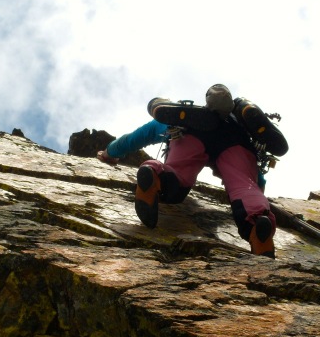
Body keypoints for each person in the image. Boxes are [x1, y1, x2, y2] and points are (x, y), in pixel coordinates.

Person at [97, 84, 287, 258]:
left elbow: (133, 139)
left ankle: (154, 173)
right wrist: (258, 198)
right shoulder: (241, 128)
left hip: (188, 131)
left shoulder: (179, 115)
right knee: (245, 188)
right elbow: (253, 183)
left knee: (177, 175)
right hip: (238, 142)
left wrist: (109, 152)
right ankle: (257, 225)